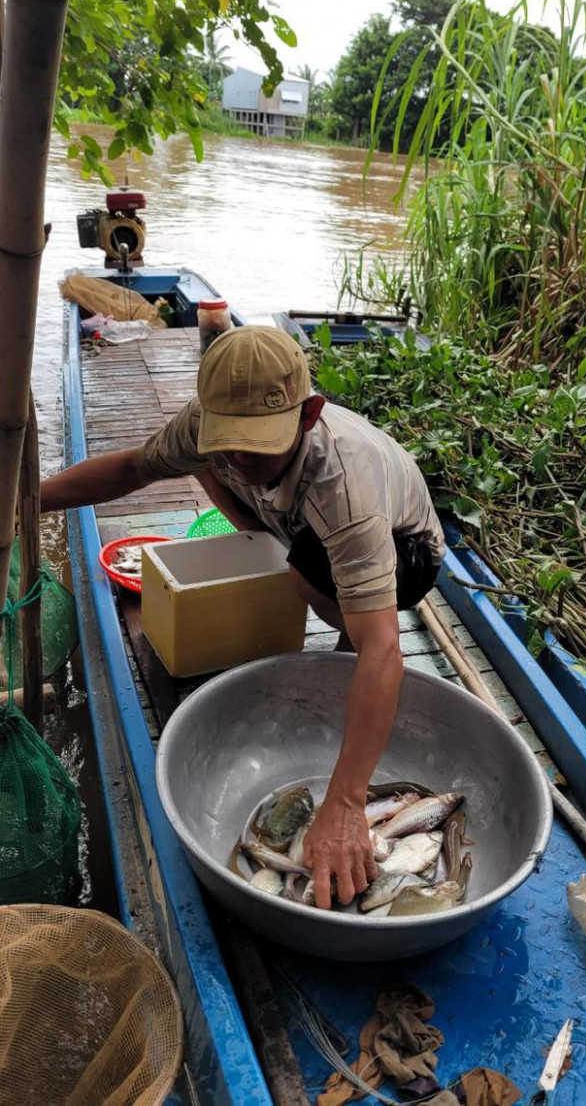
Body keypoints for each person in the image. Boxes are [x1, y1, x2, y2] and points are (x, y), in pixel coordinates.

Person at [41, 326, 445, 909]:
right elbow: (132, 469)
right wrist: (27, 491)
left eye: (258, 444)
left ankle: (339, 631)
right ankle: (292, 557)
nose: (238, 457)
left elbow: (386, 651)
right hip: (308, 523)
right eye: (227, 438)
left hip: (406, 550)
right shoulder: (207, 429)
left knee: (313, 583)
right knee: (209, 471)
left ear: (308, 415)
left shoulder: (345, 491)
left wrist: (347, 802)